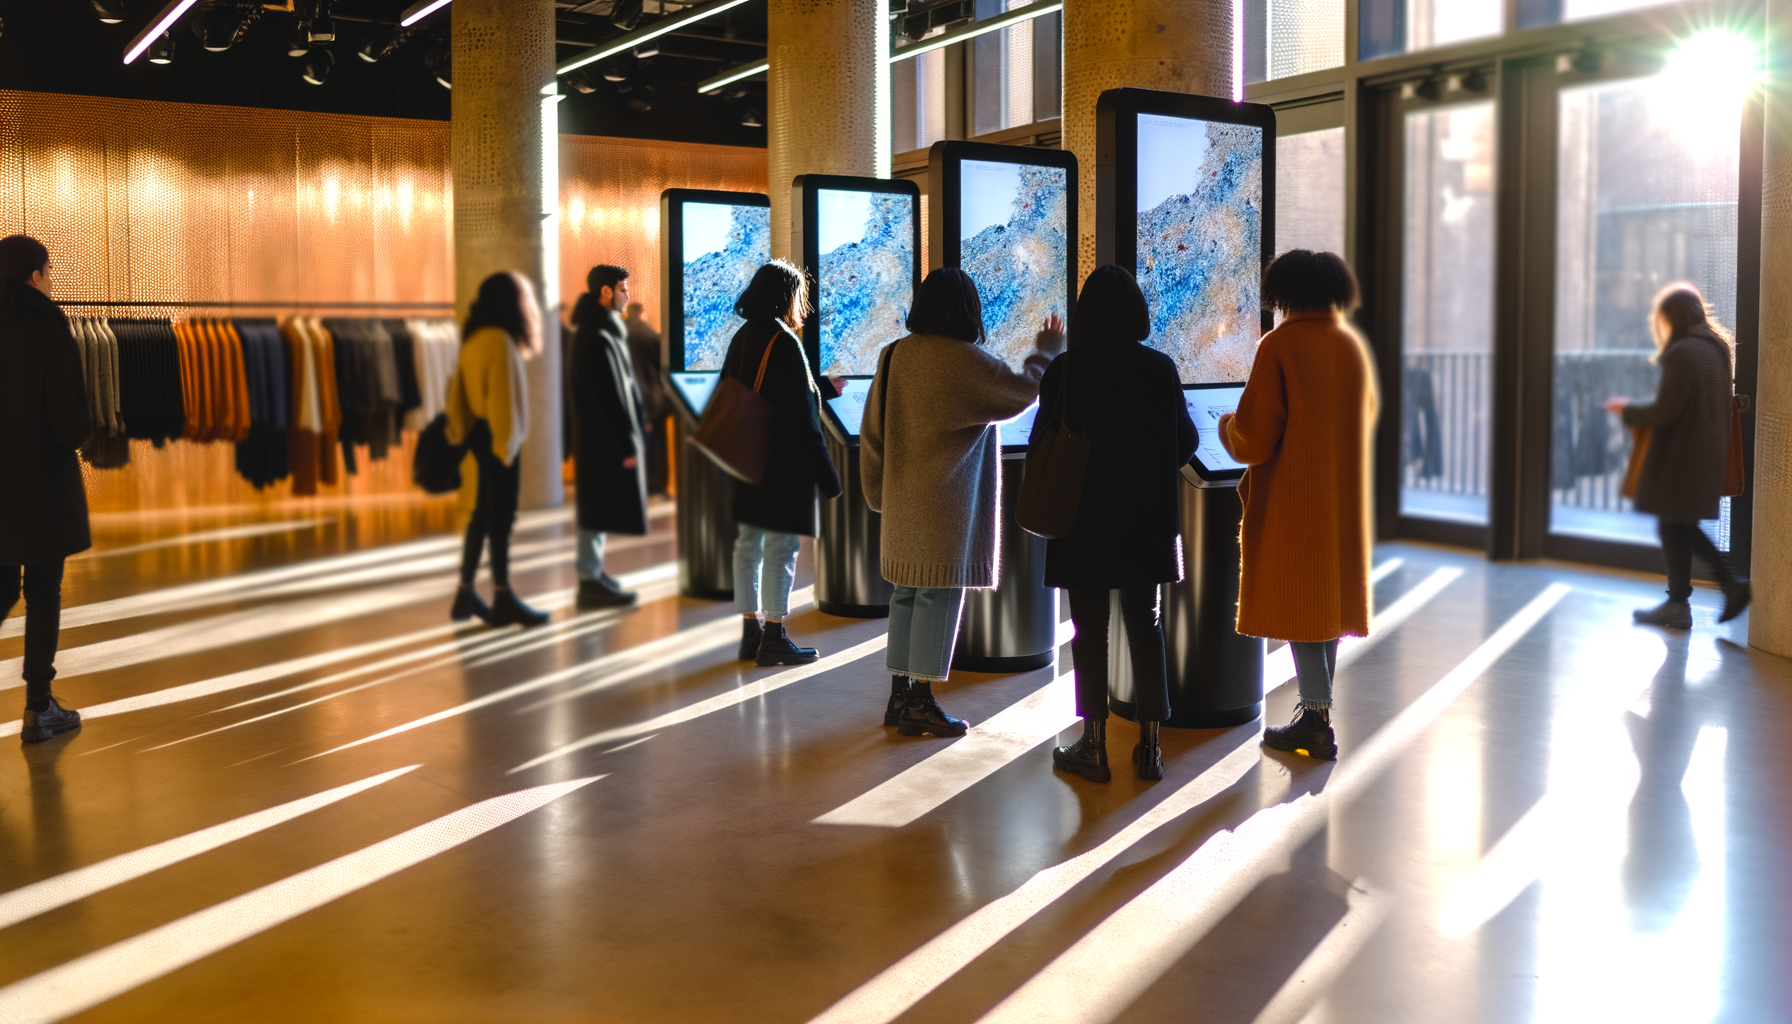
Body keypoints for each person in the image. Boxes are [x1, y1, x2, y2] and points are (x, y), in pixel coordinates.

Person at [863, 267, 1064, 738]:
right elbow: (1022, 392)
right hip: (943, 510)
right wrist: (1048, 352)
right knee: (939, 595)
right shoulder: (963, 360)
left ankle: (899, 696)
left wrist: (877, 494)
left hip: (902, 504)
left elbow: (872, 433)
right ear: (967, 311)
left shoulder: (893, 355)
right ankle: (922, 701)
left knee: (907, 595)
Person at [1217, 250, 1377, 761]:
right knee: (1327, 599)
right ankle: (1315, 713)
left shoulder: (1280, 345)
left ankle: (1315, 720)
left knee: (1305, 602)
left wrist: (1224, 426)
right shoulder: (1350, 345)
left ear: (1284, 293)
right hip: (1343, 496)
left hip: (1295, 497)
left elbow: (1253, 440)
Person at [1040, 266, 1198, 782]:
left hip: (1081, 519)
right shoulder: (1159, 368)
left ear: (1085, 313)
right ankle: (1150, 749)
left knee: (1089, 631)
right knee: (1145, 626)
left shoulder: (1065, 370)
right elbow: (1186, 443)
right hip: (1144, 520)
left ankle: (1093, 746)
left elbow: (1043, 443)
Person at [1605, 283, 1750, 629]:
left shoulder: (1683, 351)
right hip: (1708, 453)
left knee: (1674, 526)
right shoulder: (1717, 347)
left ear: (1673, 317)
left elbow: (1665, 411)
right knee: (1680, 525)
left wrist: (1625, 410)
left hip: (1683, 456)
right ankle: (1697, 598)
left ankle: (1702, 596)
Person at [722, 260, 842, 665]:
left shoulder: (742, 336)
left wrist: (820, 387)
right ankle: (774, 635)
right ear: (786, 296)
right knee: (781, 547)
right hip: (780, 466)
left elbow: (749, 392)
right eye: (798, 295)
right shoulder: (783, 340)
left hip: (746, 460)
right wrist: (829, 479)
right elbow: (801, 417)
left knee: (747, 545)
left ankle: (749, 632)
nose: (800, 304)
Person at [0, 235, 90, 744]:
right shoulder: (51, 334)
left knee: (0, 588)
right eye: (48, 272)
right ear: (35, 276)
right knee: (42, 592)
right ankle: (39, 708)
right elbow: (69, 427)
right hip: (41, 491)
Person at [446, 271, 551, 629]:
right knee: (501, 518)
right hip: (498, 439)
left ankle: (465, 593)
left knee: (481, 513)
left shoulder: (474, 337)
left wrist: (461, 431)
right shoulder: (500, 341)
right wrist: (506, 448)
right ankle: (503, 596)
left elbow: (458, 393)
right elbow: (503, 402)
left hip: (479, 435)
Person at [568, 266, 649, 610]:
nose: (627, 296)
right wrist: (626, 444)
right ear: (605, 292)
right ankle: (589, 582)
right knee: (594, 509)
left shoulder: (600, 330)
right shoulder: (595, 335)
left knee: (597, 509)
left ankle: (593, 573)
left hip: (600, 438)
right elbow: (608, 396)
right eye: (622, 289)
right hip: (600, 441)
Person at [624, 300, 671, 497]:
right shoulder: (650, 334)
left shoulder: (620, 333)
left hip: (628, 397)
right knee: (656, 445)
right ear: (642, 313)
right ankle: (657, 485)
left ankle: (635, 485)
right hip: (652, 398)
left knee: (631, 443)